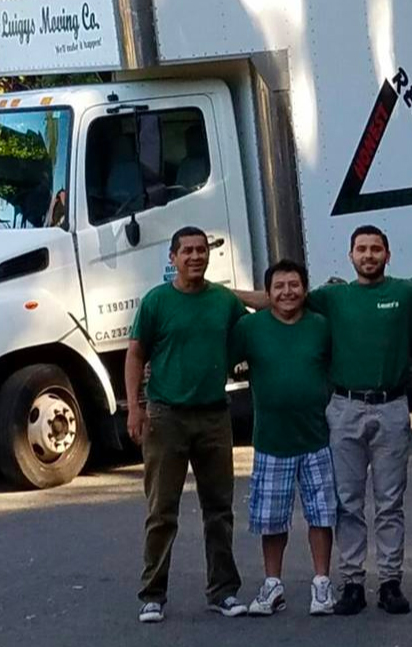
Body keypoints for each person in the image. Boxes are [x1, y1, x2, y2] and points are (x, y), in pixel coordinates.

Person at [235, 225, 412, 616]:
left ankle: (391, 581)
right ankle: (352, 582)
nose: (368, 255)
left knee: (389, 501)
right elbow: (278, 299)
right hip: (344, 407)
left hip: (392, 407)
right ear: (350, 256)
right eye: (361, 249)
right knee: (348, 501)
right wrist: (221, 293)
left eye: (375, 248)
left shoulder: (407, 293)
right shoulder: (333, 297)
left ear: (387, 254)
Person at [125, 226, 248, 624]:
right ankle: (152, 594)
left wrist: (299, 294)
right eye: (187, 251)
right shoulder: (157, 302)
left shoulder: (222, 301)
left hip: (214, 415)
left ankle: (223, 591)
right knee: (162, 510)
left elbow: (263, 306)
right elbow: (135, 354)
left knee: (219, 510)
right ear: (173, 258)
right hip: (166, 416)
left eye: (201, 250)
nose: (196, 256)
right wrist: (135, 408)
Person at [231, 259, 337, 617]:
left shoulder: (321, 326)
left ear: (305, 290)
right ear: (268, 293)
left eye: (294, 285)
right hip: (271, 441)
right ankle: (272, 585)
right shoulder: (250, 327)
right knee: (271, 519)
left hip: (316, 438)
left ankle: (322, 584)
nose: (287, 292)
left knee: (321, 516)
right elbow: (221, 358)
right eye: (279, 286)